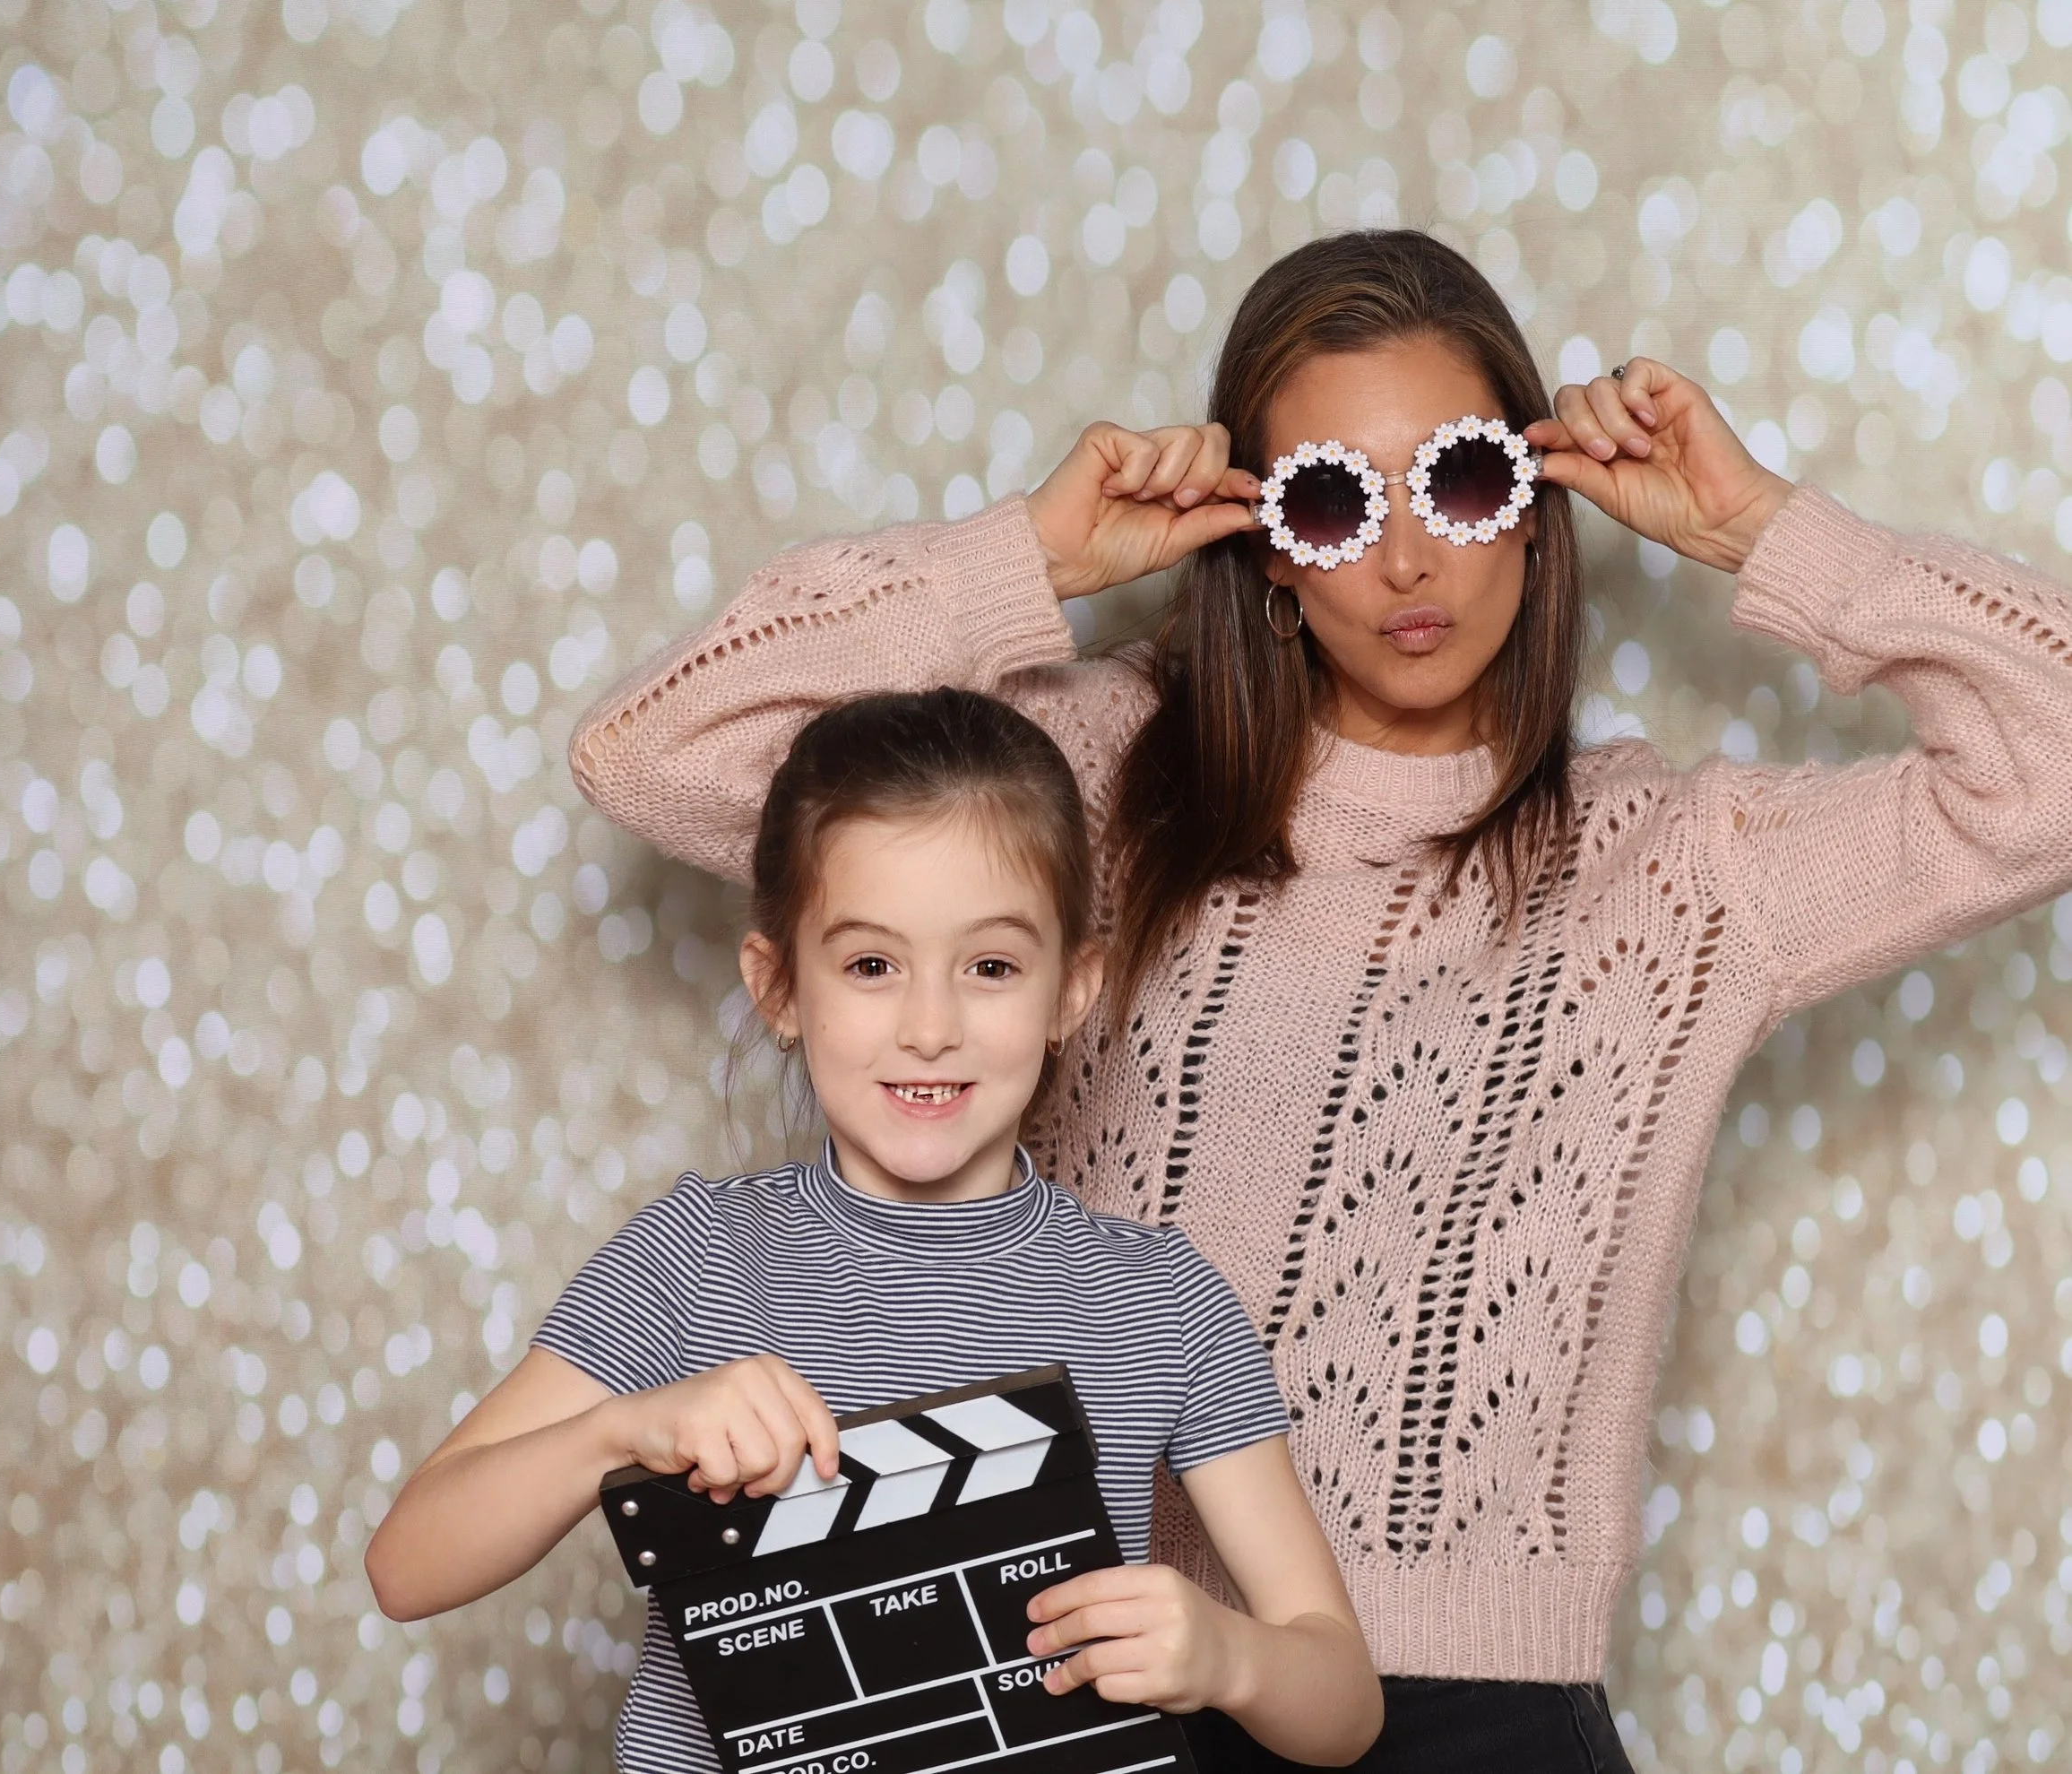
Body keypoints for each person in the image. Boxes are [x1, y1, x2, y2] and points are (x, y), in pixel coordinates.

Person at [564, 229, 2072, 1770]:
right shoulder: (1088, 787)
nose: (1409, 560)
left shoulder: (1685, 874)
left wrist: (1764, 531)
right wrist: (1028, 560)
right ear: (1270, 548)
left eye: (1466, 481)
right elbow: (658, 755)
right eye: (1337, 501)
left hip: (1483, 1716)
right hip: (1083, 1672)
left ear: (1541, 512)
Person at [364, 688, 1385, 1770]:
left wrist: (1227, 1655)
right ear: (779, 986)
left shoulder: (1157, 1299)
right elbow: (408, 1562)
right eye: (870, 965)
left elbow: (1343, 1698)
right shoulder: (700, 1257)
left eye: (990, 966)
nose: (930, 1027)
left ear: (1069, 989)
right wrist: (620, 1434)